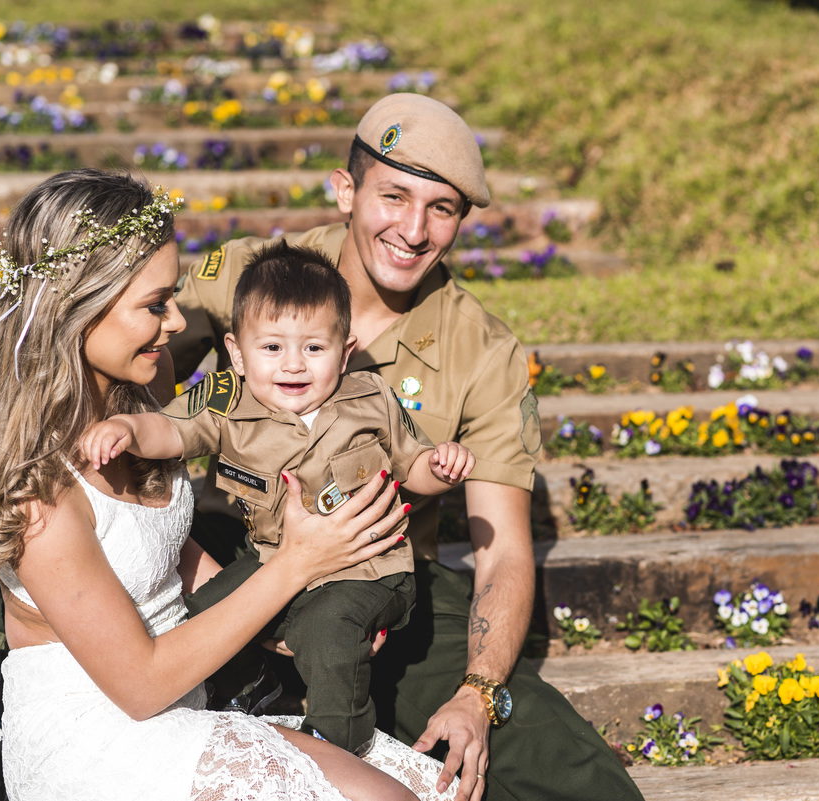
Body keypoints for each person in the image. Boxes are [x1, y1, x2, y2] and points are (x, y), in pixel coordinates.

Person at [0, 168, 462, 801]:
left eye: (173, 296)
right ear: (78, 309)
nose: (177, 321)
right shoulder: (36, 491)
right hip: (101, 733)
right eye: (154, 306)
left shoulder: (148, 387)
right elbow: (140, 686)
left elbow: (162, 549)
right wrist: (296, 565)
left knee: (424, 788)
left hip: (185, 695)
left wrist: (295, 618)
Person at [169, 93, 644, 801]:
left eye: (442, 208)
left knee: (577, 776)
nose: (413, 229)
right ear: (346, 190)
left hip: (382, 585)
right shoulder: (248, 274)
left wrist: (478, 695)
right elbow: (122, 389)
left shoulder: (483, 352)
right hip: (229, 548)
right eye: (393, 196)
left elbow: (505, 549)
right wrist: (205, 577)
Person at [79, 240, 476, 755]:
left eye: (314, 348)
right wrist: (128, 428)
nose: (293, 365)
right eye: (272, 348)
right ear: (238, 353)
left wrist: (441, 470)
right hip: (273, 562)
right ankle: (250, 696)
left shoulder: (370, 400)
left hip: (366, 568)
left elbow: (413, 464)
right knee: (205, 610)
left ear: (345, 351)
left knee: (328, 629)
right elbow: (171, 432)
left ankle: (340, 744)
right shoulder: (226, 402)